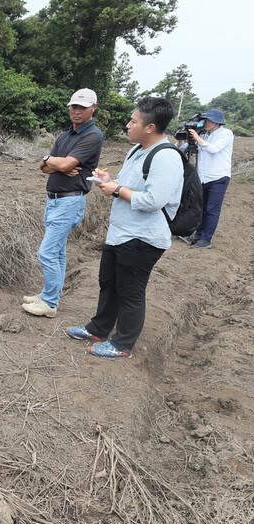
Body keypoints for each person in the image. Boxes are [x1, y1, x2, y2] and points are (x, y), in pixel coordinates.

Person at [66, 96, 182, 359]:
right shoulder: (137, 149)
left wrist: (117, 189)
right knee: (109, 283)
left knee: (130, 291)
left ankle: (122, 345)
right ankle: (98, 329)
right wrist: (110, 181)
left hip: (143, 238)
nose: (127, 125)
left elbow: (154, 200)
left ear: (150, 127)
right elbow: (132, 186)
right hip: (121, 233)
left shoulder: (165, 157)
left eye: (133, 120)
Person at [22, 88, 104, 318]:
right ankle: (50, 296)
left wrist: (54, 162)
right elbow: (43, 167)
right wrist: (53, 161)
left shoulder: (93, 135)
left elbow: (66, 165)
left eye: (82, 107)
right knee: (57, 252)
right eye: (74, 107)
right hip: (55, 200)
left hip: (69, 201)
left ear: (93, 108)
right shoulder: (66, 135)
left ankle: (49, 303)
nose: (77, 111)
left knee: (47, 252)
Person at [176, 108, 233, 249]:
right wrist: (181, 140)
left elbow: (213, 149)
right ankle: (198, 234)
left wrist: (197, 137)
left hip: (218, 177)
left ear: (217, 123)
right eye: (206, 120)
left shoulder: (226, 134)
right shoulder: (205, 135)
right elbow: (182, 149)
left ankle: (206, 239)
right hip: (203, 178)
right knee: (201, 207)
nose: (206, 123)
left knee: (212, 209)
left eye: (209, 120)